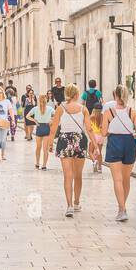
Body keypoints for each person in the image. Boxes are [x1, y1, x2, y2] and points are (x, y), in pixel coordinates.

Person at [100, 85, 136, 221]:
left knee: (117, 179)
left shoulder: (109, 112)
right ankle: (122, 207)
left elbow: (103, 132)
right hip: (129, 143)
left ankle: (122, 209)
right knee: (126, 179)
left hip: (114, 142)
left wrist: (111, 131)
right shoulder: (133, 112)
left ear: (116, 96)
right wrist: (133, 136)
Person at [50, 83, 90, 217]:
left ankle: (69, 206)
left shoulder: (60, 108)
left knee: (68, 175)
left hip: (64, 140)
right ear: (77, 94)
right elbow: (89, 129)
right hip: (79, 140)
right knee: (78, 175)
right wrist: (95, 144)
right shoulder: (83, 109)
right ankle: (77, 202)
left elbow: (54, 127)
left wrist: (50, 143)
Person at [28, 92, 54, 169]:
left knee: (38, 147)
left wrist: (35, 121)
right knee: (45, 149)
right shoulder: (50, 108)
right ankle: (44, 165)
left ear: (39, 100)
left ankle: (37, 163)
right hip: (46, 127)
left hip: (39, 128)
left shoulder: (35, 108)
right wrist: (51, 120)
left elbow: (27, 116)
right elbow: (56, 116)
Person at [0, 89, 16, 162]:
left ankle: (3, 154)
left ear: (3, 93)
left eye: (0, 92)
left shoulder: (7, 101)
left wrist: (13, 120)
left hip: (4, 122)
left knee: (3, 140)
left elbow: (11, 111)